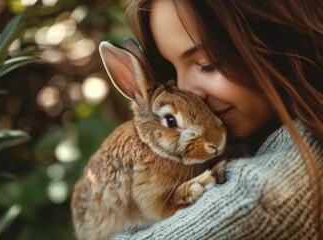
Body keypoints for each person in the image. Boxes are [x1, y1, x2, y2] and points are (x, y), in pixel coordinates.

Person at [112, 0, 323, 239]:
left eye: (206, 64)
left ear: (279, 36)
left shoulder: (287, 180)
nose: (186, 91)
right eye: (171, 71)